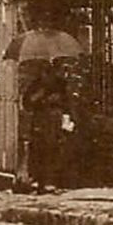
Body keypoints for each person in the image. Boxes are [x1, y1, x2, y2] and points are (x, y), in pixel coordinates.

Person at [19, 58, 72, 192]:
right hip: (40, 119)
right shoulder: (37, 84)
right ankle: (36, 179)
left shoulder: (61, 84)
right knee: (38, 149)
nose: (47, 74)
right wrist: (39, 95)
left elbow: (67, 103)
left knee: (54, 149)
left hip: (55, 119)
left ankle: (50, 180)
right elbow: (27, 103)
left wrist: (65, 116)